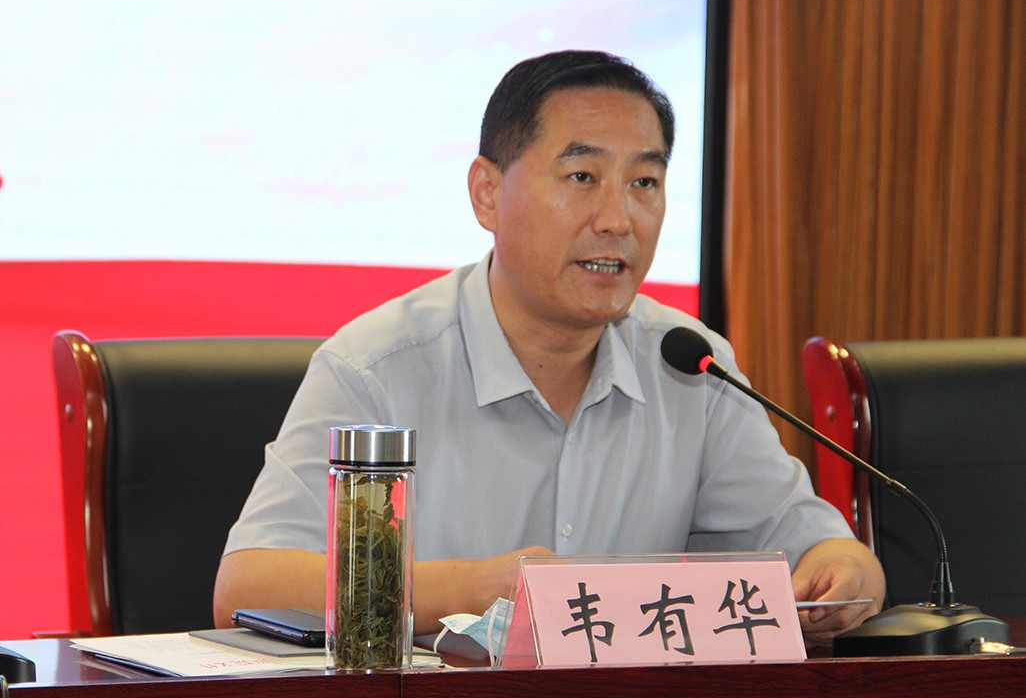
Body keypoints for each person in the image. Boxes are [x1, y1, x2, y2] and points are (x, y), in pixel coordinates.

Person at [213, 50, 884, 648]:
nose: (618, 219)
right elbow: (247, 587)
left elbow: (825, 550)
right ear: (487, 194)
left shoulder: (691, 365)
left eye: (644, 183)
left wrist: (843, 572)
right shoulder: (377, 369)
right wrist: (472, 588)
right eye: (582, 176)